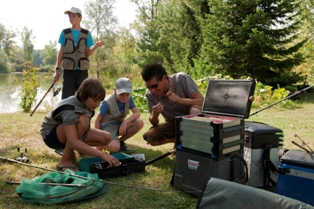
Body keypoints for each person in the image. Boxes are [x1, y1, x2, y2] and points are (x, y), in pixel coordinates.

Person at [40, 78, 120, 171]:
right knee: (83, 120)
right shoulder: (70, 109)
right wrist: (102, 155)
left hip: (67, 130)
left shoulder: (86, 104)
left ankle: (76, 149)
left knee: (107, 138)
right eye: (95, 101)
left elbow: (82, 131)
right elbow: (73, 141)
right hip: (51, 135)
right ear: (83, 96)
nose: (98, 105)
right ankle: (64, 160)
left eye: (99, 101)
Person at [141, 62, 204, 147]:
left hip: (191, 118)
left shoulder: (181, 78)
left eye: (154, 86)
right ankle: (180, 141)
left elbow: (201, 101)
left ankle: (189, 143)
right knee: (150, 136)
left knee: (194, 110)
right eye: (148, 87)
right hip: (174, 122)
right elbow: (154, 122)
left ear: (164, 78)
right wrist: (154, 115)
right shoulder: (150, 94)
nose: (152, 90)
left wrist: (180, 100)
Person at [53, 7, 105, 99]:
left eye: (73, 16)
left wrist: (96, 46)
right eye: (69, 16)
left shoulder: (87, 34)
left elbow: (87, 53)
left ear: (80, 18)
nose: (71, 19)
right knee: (67, 97)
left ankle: (82, 113)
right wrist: (57, 70)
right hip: (68, 70)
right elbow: (61, 52)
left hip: (82, 71)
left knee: (82, 97)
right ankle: (66, 113)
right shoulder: (64, 33)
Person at [95, 77, 144, 153]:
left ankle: (120, 141)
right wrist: (98, 141)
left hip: (120, 123)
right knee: (114, 148)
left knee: (139, 122)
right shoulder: (107, 102)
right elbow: (98, 120)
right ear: (115, 90)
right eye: (121, 94)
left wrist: (125, 122)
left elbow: (137, 113)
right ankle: (106, 143)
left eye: (127, 94)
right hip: (108, 127)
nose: (125, 97)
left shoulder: (129, 98)